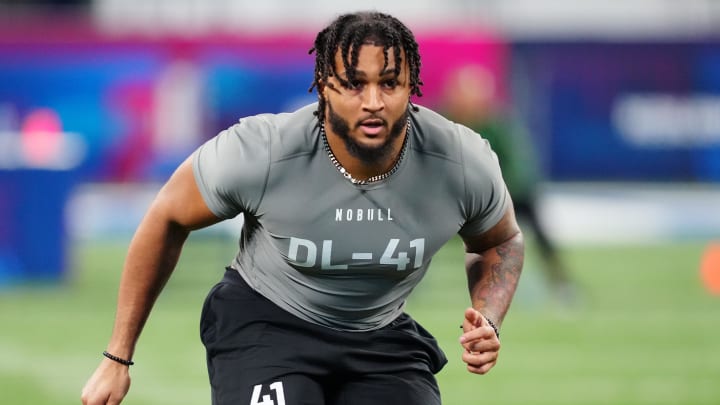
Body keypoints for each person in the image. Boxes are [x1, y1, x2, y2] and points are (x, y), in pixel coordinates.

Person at [81, 11, 524, 405]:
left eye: (389, 83)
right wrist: (118, 356)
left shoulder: (460, 161)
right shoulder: (263, 151)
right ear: (323, 88)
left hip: (379, 334)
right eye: (353, 83)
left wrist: (488, 316)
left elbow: (500, 240)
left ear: (412, 88)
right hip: (267, 323)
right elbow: (168, 217)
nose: (373, 102)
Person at [441, 64, 573, 300]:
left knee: (533, 216)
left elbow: (519, 171)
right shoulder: (439, 123)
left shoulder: (498, 126)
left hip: (495, 198)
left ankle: (561, 282)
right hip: (452, 198)